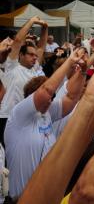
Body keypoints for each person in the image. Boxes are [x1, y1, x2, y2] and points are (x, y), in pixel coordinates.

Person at [5, 48, 86, 200]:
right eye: (49, 95)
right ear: (31, 98)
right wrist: (69, 62)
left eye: (53, 96)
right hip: (22, 200)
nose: (51, 99)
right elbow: (46, 91)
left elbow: (71, 97)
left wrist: (82, 72)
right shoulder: (18, 115)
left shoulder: (47, 112)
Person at [0, 16, 48, 145]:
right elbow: (18, 41)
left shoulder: (34, 70)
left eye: (35, 56)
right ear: (21, 55)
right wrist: (32, 21)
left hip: (27, 117)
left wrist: (45, 28)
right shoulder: (12, 66)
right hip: (7, 116)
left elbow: (42, 47)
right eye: (30, 55)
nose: (34, 58)